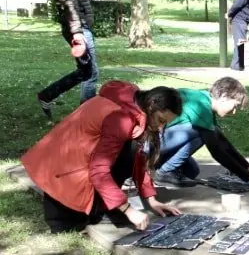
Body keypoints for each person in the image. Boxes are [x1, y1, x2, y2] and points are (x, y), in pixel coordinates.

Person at [21, 81, 183, 234]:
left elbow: (139, 158)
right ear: (151, 104)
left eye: (165, 123)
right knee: (71, 224)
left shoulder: (133, 106)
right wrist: (128, 209)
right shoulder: (121, 117)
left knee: (132, 150)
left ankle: (102, 205)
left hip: (69, 164)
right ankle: (92, 208)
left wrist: (151, 199)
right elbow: (99, 170)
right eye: (160, 120)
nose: (160, 127)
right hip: (62, 172)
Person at [154, 77, 249, 188]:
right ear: (224, 97)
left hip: (161, 142)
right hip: (149, 143)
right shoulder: (201, 106)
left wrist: (248, 167)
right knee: (201, 132)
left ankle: (159, 165)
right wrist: (248, 176)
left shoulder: (205, 101)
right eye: (235, 106)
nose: (234, 112)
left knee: (192, 171)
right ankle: (164, 172)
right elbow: (216, 150)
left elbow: (224, 143)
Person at [37, 0, 99, 120]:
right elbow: (68, 5)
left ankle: (47, 95)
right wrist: (77, 33)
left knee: (86, 72)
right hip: (78, 30)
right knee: (91, 74)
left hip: (81, 28)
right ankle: (85, 117)